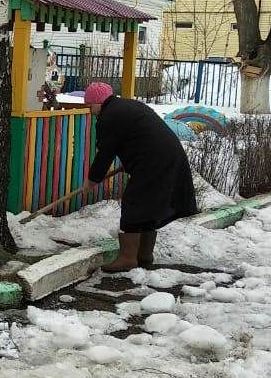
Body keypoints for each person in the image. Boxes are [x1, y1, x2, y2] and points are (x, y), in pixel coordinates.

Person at [83, 82, 198, 271]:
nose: (89, 110)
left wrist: (93, 179)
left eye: (90, 105)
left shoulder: (110, 116)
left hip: (154, 160)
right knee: (147, 204)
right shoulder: (125, 107)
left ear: (98, 102)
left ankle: (128, 258)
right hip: (167, 155)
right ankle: (144, 257)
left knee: (134, 202)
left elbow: (106, 151)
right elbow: (136, 138)